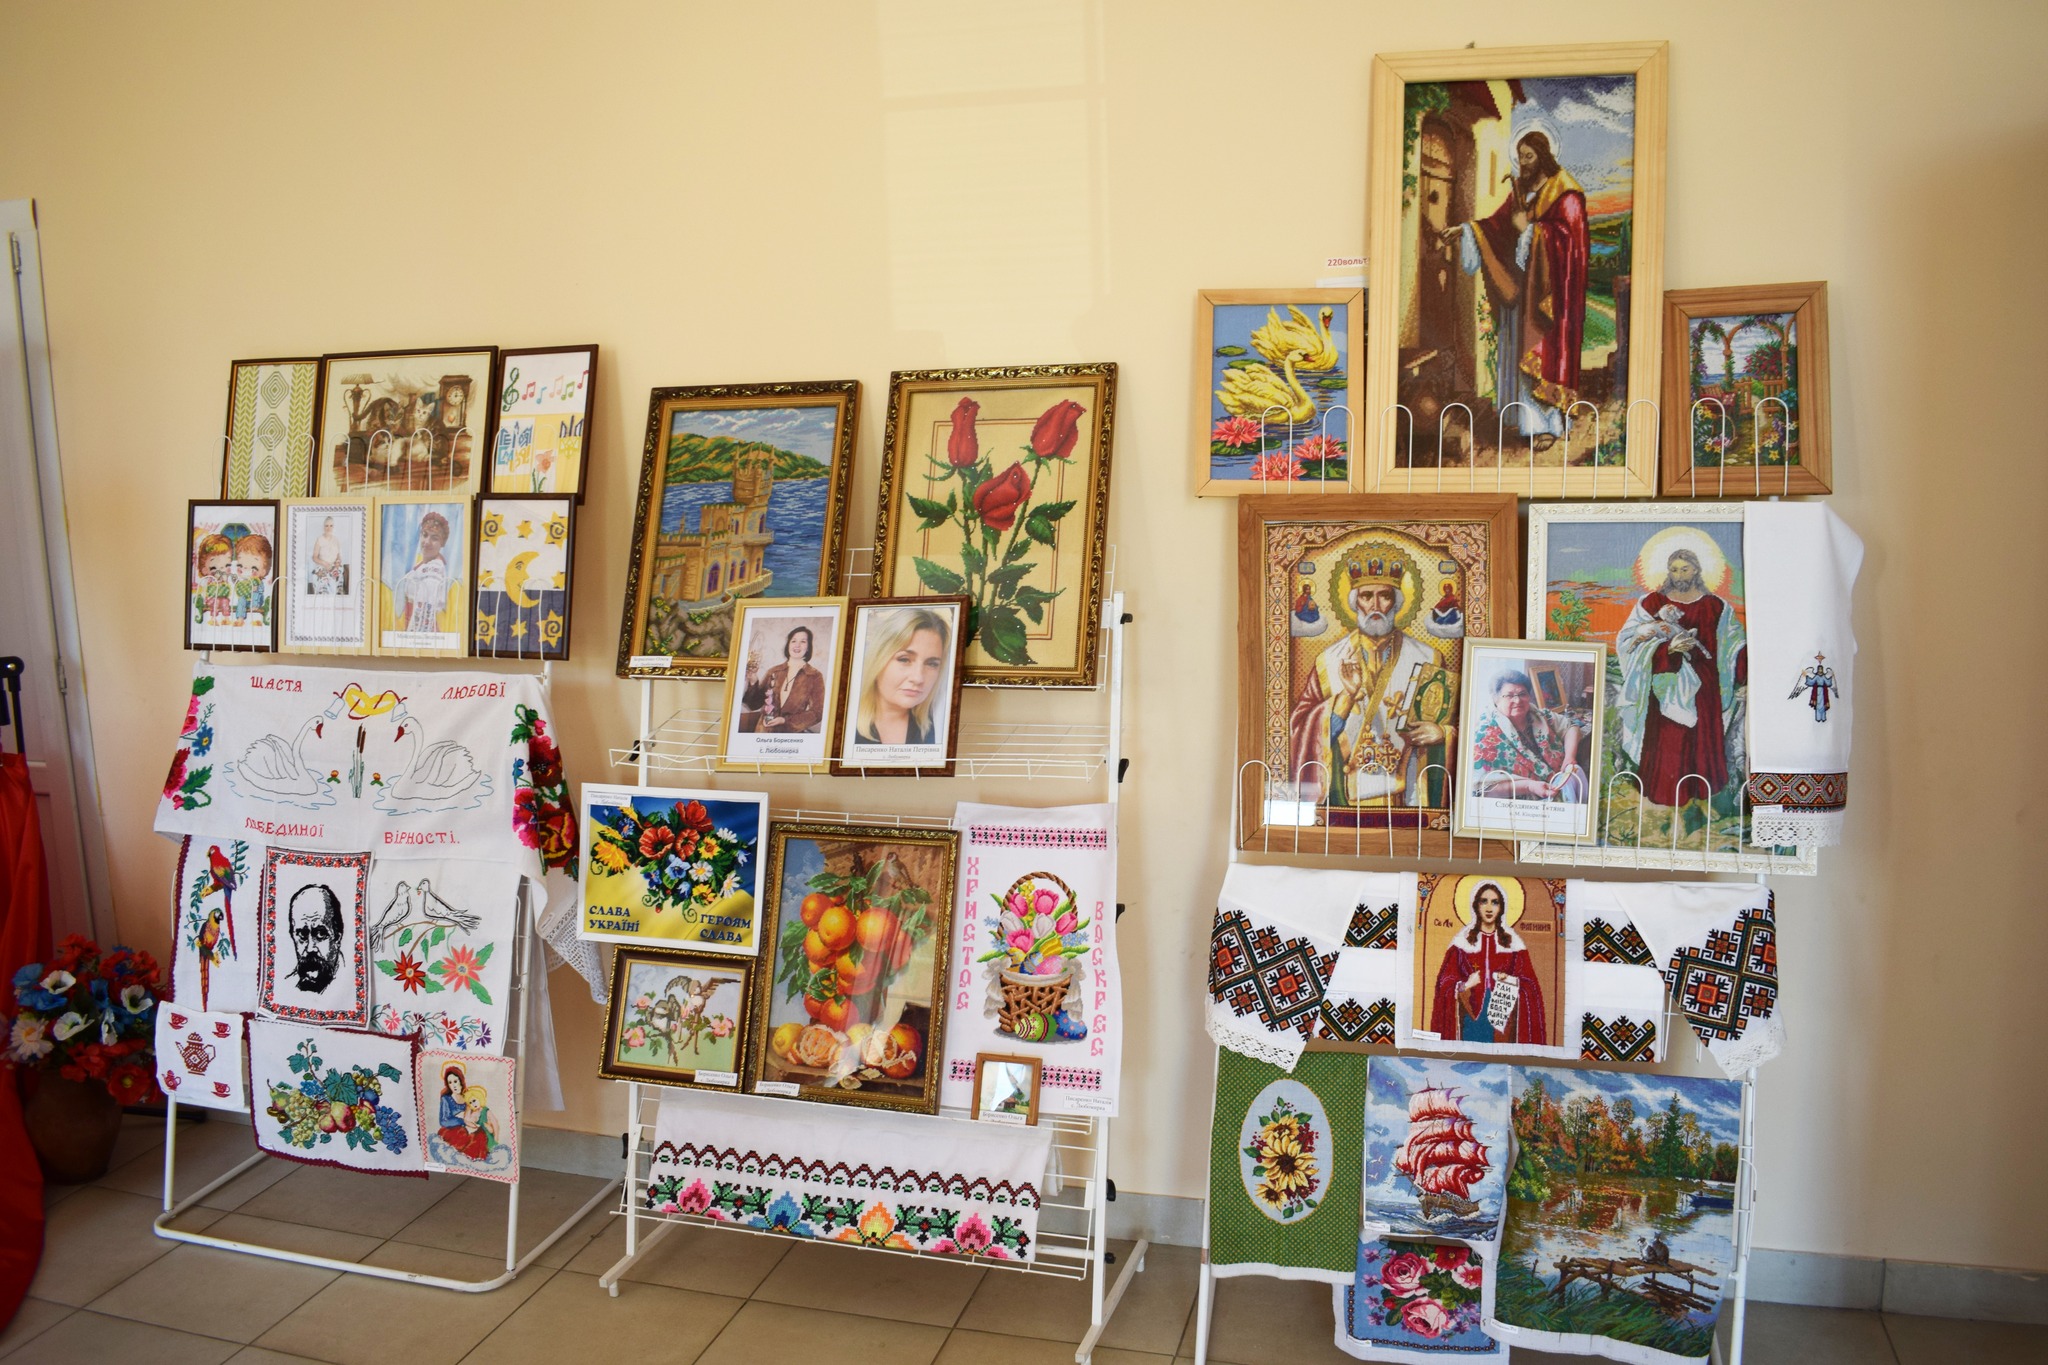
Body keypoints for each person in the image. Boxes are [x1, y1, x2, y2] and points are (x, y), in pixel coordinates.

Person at [1440, 129, 1590, 449]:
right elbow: (1495, 226)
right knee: (1518, 354)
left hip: (1548, 295)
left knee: (1542, 356)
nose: (1524, 162)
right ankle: (1523, 422)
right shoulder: (1520, 190)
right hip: (1521, 291)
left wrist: (1531, 232)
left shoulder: (1566, 193)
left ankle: (1548, 425)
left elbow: (1570, 243)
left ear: (1543, 156)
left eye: (1529, 156)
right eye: (1520, 156)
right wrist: (1465, 230)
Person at [1287, 551, 1453, 810]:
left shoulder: (1428, 658)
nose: (1375, 606)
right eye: (1366, 596)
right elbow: (1299, 730)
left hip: (1409, 794)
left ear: (1396, 602)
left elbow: (1460, 723)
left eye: (1384, 596)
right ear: (1355, 603)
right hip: (1344, 796)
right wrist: (1344, 700)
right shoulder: (1327, 661)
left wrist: (1443, 733)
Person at [1612, 546, 1746, 830]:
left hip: (1705, 690)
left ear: (1696, 570)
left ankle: (1702, 800)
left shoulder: (1716, 607)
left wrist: (1746, 676)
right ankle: (1674, 810)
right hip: (1665, 686)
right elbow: (1628, 643)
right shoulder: (1651, 603)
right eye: (1674, 570)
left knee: (1702, 747)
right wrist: (1668, 650)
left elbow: (1735, 646)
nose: (1679, 575)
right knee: (1671, 747)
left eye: (1685, 569)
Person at [1427, 881, 1547, 1045]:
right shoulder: (1461, 943)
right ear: (1476, 906)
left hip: (1503, 1015)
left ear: (1501, 908)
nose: (1489, 908)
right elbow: (1444, 984)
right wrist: (1465, 985)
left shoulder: (1514, 944)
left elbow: (1530, 985)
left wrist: (1511, 981)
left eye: (1495, 902)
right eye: (1484, 901)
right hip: (1471, 1015)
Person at [1469, 670, 1586, 804]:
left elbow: (1571, 727)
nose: (1517, 700)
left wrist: (1569, 757)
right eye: (1509, 695)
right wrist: (1529, 786)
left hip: (1559, 785)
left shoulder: (1538, 714)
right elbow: (1480, 786)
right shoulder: (1483, 735)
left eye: (1522, 694)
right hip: (1523, 805)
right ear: (1496, 699)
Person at [850, 607, 949, 749]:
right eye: (904, 659)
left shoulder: (939, 729)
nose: (918, 678)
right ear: (877, 659)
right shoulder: (841, 725)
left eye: (931, 664)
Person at [740, 624, 824, 734]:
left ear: (808, 647)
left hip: (792, 737)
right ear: (788, 644)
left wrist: (785, 720)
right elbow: (754, 704)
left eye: (803, 641)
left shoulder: (814, 676)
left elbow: (817, 713)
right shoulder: (774, 671)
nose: (797, 645)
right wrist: (753, 680)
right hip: (764, 734)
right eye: (793, 641)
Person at [394, 511, 452, 632]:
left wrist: (412, 636)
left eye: (434, 538)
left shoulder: (433, 570)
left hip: (423, 632)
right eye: (425, 535)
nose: (427, 542)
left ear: (442, 543)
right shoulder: (421, 565)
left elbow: (425, 610)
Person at [285, 883, 344, 995]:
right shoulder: (286, 987)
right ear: (293, 936)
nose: (310, 948)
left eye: (320, 934)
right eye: (302, 935)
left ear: (337, 938)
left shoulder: (350, 985)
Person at [231, 533, 272, 626]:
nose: (247, 569)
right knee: (241, 600)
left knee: (256, 594)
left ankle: (256, 618)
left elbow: (261, 589)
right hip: (246, 599)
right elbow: (239, 584)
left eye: (252, 567)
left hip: (256, 600)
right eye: (243, 566)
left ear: (263, 571)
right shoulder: (244, 580)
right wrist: (237, 577)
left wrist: (256, 588)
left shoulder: (257, 581)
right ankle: (240, 619)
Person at [309, 515, 346, 594]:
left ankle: (337, 594)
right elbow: (314, 557)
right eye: (326, 526)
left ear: (333, 527)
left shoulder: (336, 540)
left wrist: (337, 562)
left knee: (338, 574)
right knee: (323, 580)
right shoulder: (319, 539)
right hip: (322, 566)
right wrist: (325, 564)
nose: (329, 528)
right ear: (323, 527)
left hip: (333, 567)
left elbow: (338, 556)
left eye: (331, 526)